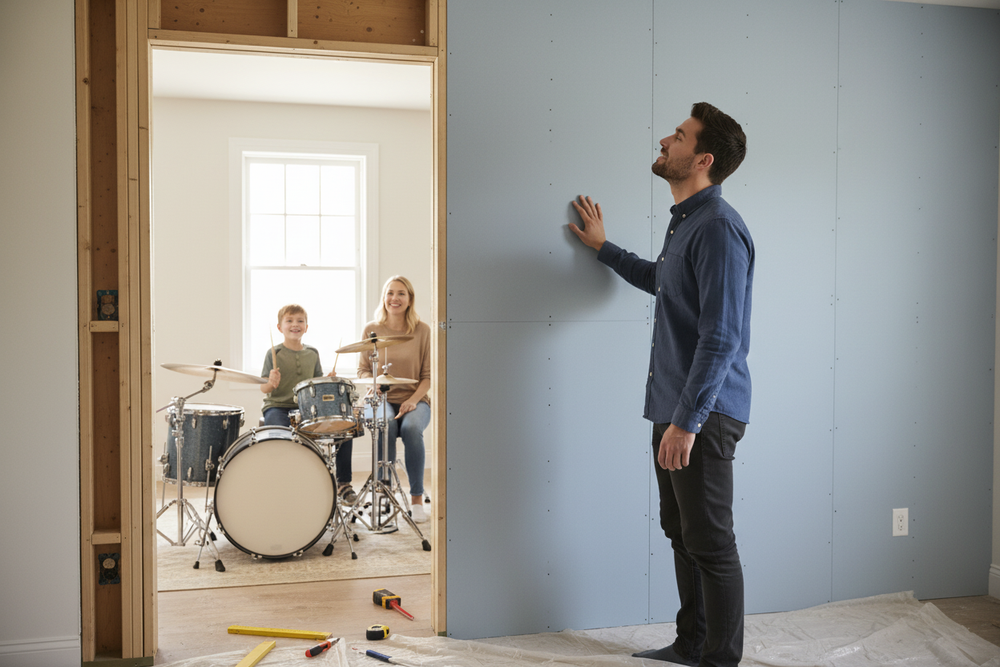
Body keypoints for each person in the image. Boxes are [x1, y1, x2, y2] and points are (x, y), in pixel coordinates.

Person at [569, 102, 753, 667]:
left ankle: (720, 659)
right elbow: (660, 279)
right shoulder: (688, 222)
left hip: (703, 413)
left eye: (678, 135)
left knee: (711, 542)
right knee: (681, 532)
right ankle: (692, 644)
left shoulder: (718, 228)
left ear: (702, 159)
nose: (664, 140)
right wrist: (603, 248)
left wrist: (687, 422)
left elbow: (722, 338)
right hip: (675, 408)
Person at [260, 303, 355, 503]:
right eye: (289, 320)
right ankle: (281, 484)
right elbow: (264, 389)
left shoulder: (312, 353)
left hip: (306, 409)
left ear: (306, 327)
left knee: (345, 427)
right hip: (277, 406)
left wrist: (327, 380)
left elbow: (317, 384)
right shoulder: (273, 353)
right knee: (280, 436)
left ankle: (343, 483)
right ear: (279, 327)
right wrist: (270, 383)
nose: (295, 324)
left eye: (300, 321)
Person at [357, 276, 432, 524]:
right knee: (385, 425)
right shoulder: (371, 330)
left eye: (401, 293)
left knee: (411, 429)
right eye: (390, 293)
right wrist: (373, 384)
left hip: (416, 398)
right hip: (381, 399)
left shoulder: (423, 331)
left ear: (410, 299)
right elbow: (363, 371)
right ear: (384, 297)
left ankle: (417, 499)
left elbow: (428, 376)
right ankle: (384, 495)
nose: (395, 298)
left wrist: (413, 400)